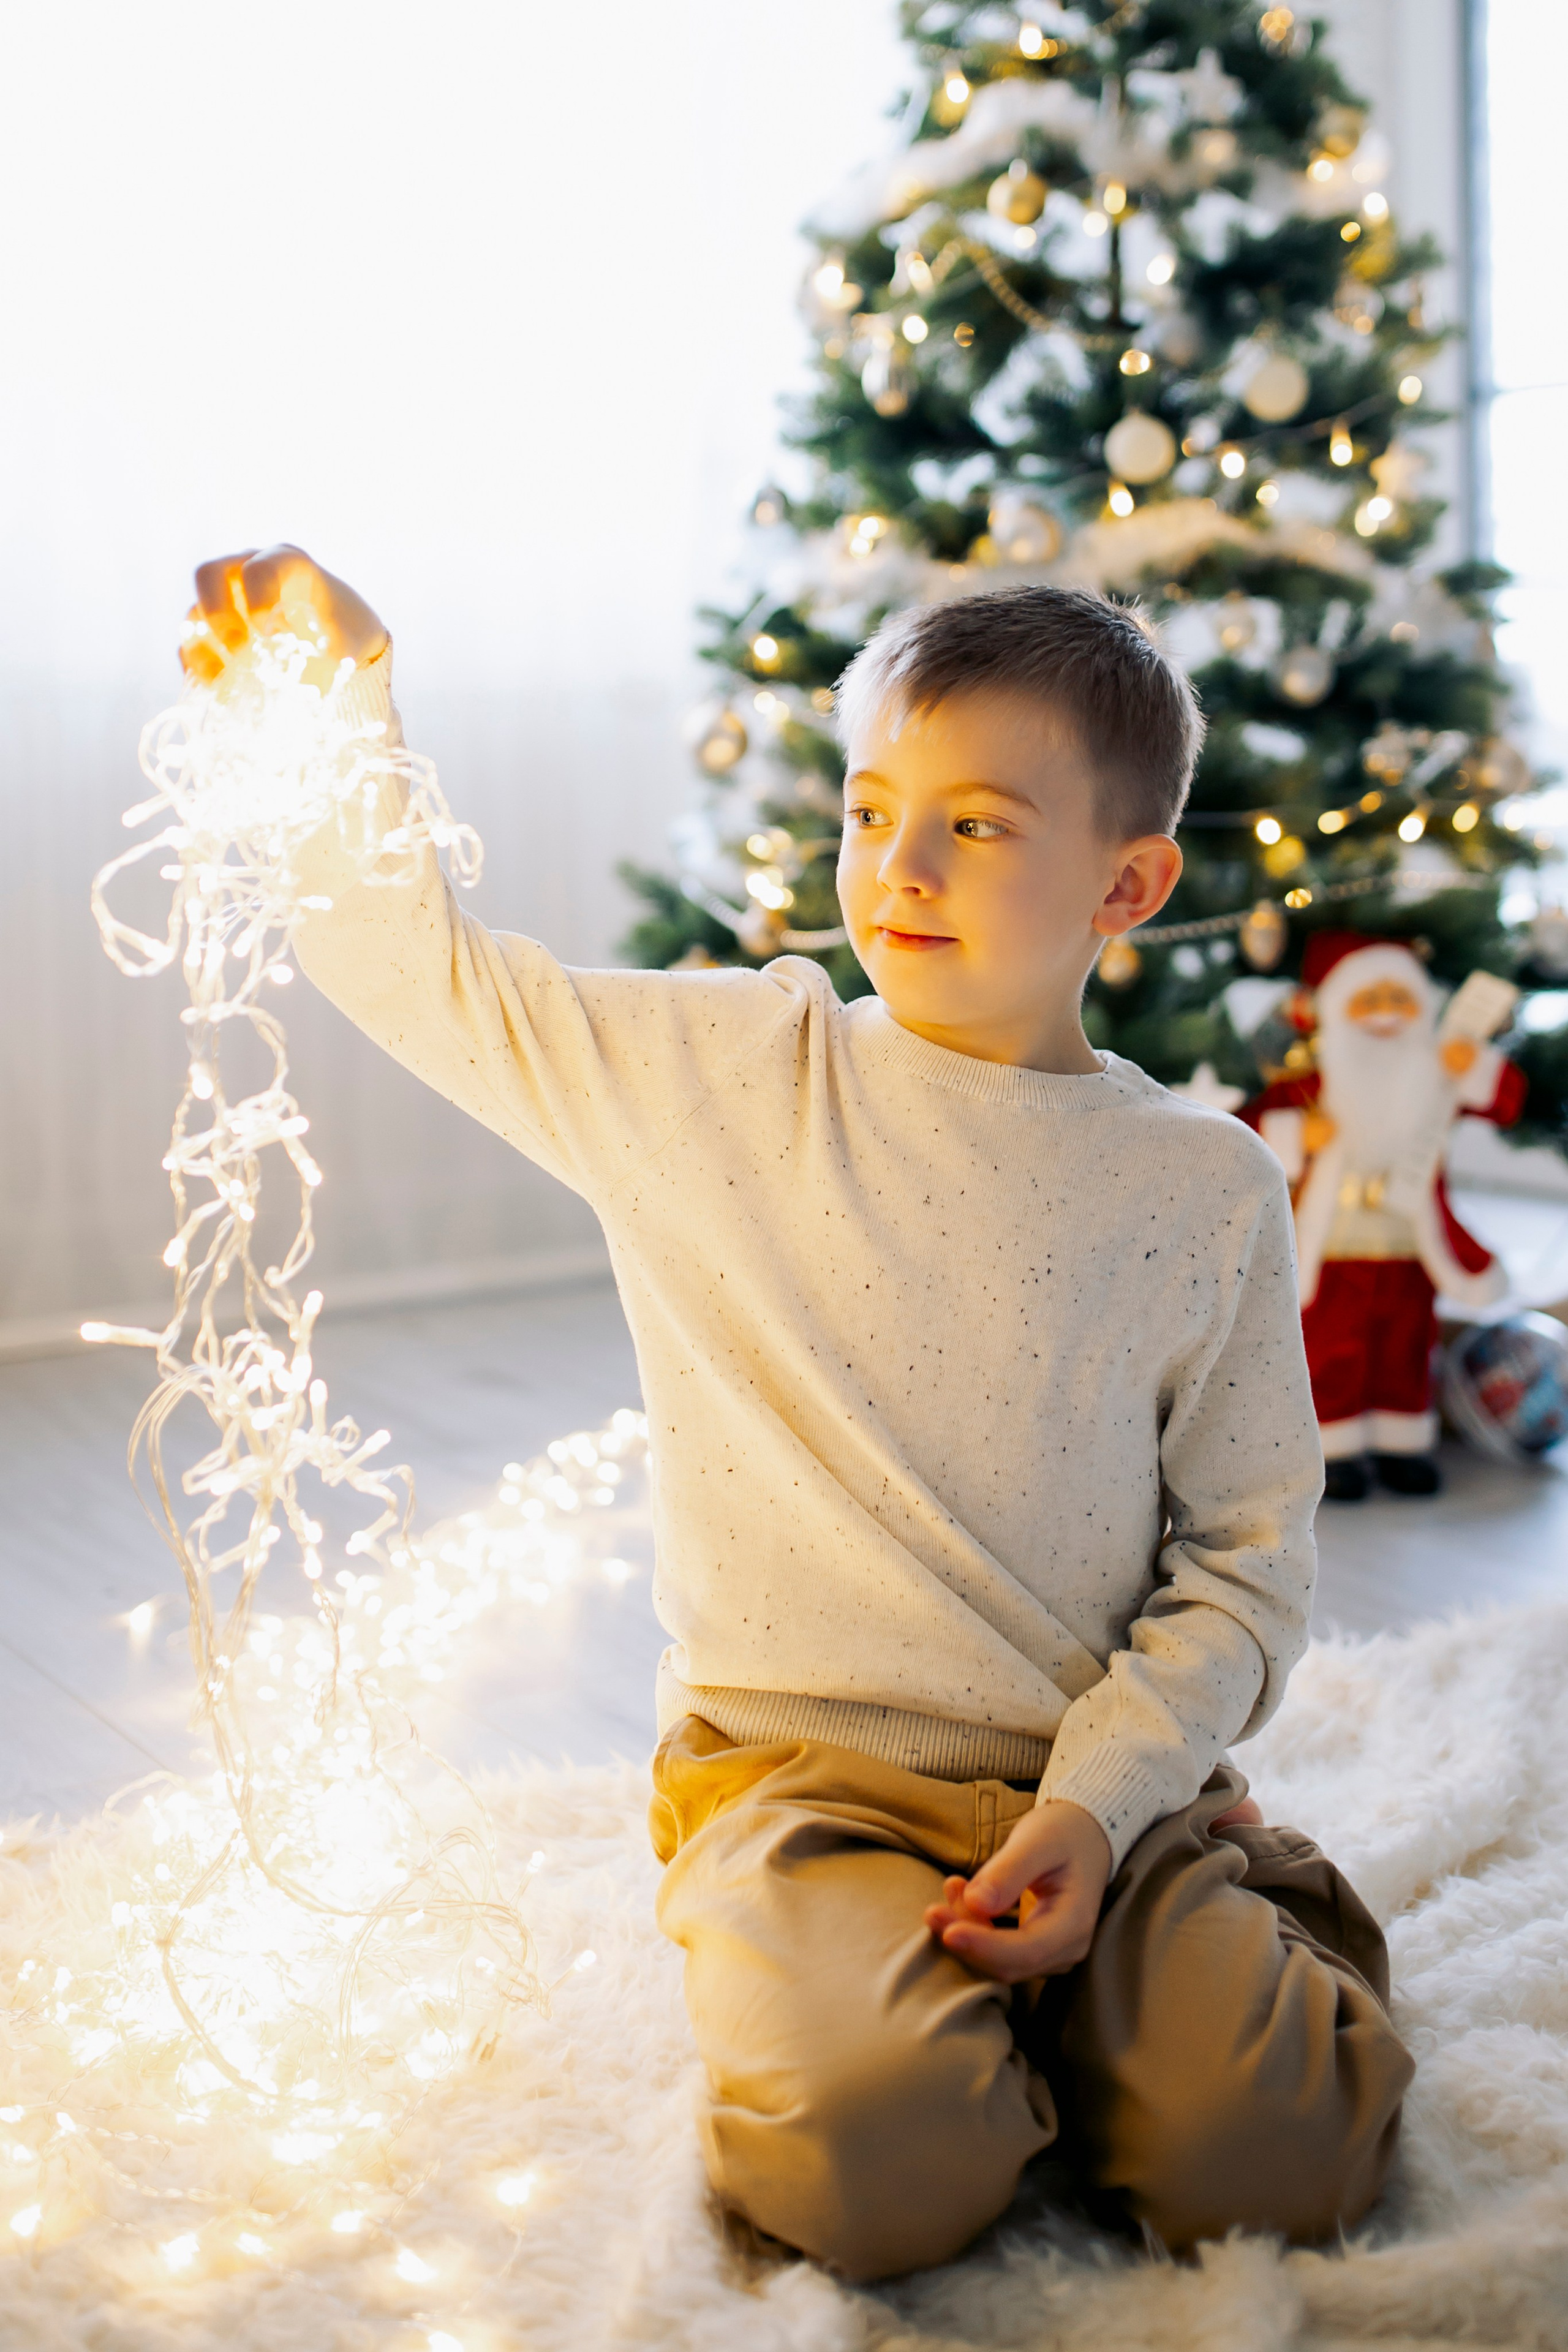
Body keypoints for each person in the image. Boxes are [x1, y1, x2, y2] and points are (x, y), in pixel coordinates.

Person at [181, 551, 1413, 2278]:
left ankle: (1211, 1940)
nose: (894, 871)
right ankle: (949, 2022)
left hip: (1110, 1800)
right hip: (802, 1790)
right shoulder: (722, 1076)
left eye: (976, 826)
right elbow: (417, 969)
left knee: (1282, 2167)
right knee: (872, 2181)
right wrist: (341, 710)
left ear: (1127, 884)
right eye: (869, 811)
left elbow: (1245, 1564)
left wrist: (1104, 1805)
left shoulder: (1204, 1187)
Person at [1242, 933, 1525, 1502]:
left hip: (1409, 1242)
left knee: (1406, 1343)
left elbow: (1504, 1103)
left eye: (1401, 999)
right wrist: (1298, 1134)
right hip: (1334, 1244)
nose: (1387, 1016)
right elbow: (1245, 1131)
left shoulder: (1438, 1072)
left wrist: (1477, 1066)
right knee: (1330, 1348)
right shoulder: (1308, 1085)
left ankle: (1401, 1441)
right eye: (1368, 1001)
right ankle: (1336, 1449)